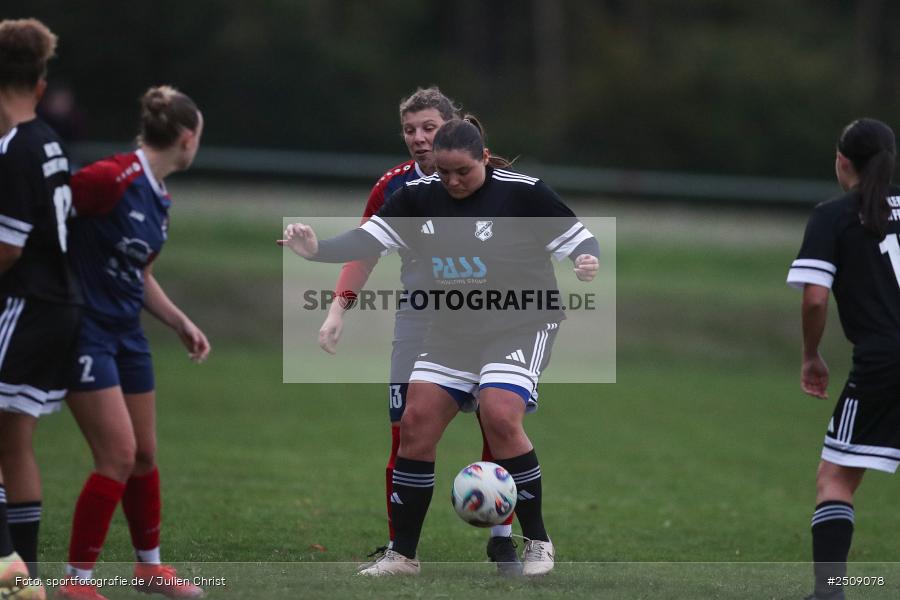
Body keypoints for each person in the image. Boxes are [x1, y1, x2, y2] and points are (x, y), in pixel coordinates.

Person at [281, 118, 600, 576]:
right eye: (444, 173)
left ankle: (537, 542)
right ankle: (403, 556)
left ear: (484, 159)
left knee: (499, 412)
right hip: (453, 329)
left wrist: (585, 260)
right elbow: (367, 240)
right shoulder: (417, 196)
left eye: (462, 173)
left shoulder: (524, 191)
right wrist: (315, 249)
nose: (451, 182)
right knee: (416, 421)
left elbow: (580, 239)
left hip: (521, 323)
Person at [319, 87, 520, 574]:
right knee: (405, 428)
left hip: (487, 319)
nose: (418, 138)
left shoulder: (499, 183)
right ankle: (399, 551)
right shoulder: (394, 188)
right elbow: (365, 251)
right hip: (419, 321)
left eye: (428, 127)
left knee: (497, 420)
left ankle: (502, 537)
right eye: (409, 129)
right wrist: (336, 311)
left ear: (452, 128)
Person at [55, 86, 210, 600]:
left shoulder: (158, 194)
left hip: (128, 334)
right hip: (85, 330)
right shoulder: (110, 178)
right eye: (199, 138)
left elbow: (138, 272)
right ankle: (77, 583)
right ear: (186, 138)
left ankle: (150, 570)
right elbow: (43, 212)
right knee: (117, 455)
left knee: (144, 453)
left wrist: (179, 321)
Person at [786, 118, 900, 600]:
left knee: (835, 476)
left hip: (883, 362)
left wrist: (811, 354)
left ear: (841, 161)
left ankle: (829, 592)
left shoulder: (833, 215)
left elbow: (815, 298)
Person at [0, 18, 82, 600]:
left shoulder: (14, 148)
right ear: (38, 79)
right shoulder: (50, 139)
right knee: (14, 439)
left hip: (25, 305)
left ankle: (9, 569)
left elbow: (7, 246)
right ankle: (21, 578)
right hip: (59, 304)